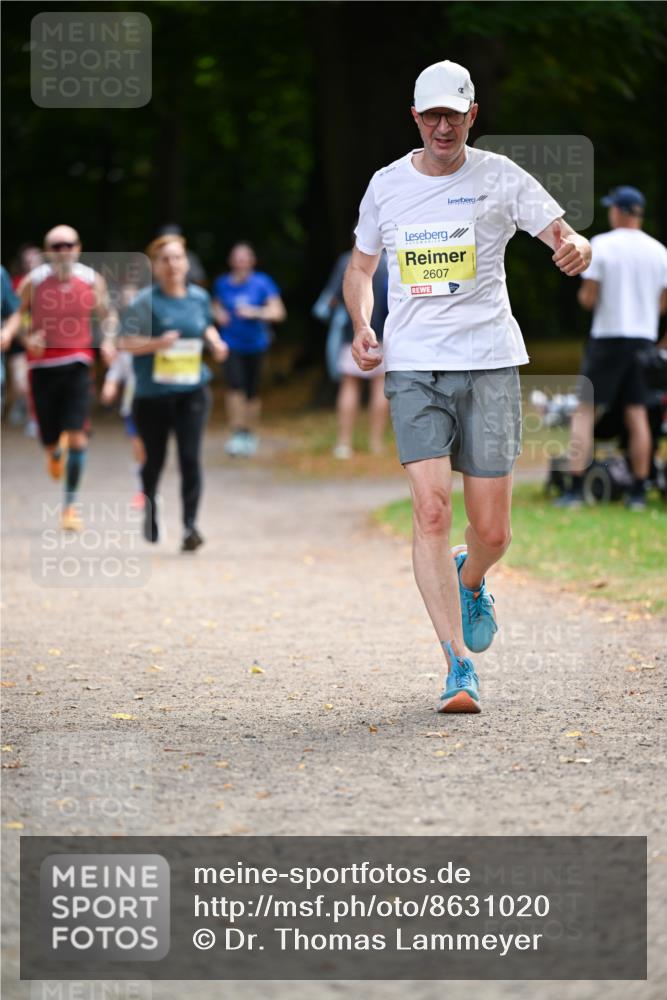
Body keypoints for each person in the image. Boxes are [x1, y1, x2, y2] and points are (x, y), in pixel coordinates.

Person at [343, 59, 591, 714]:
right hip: (413, 364)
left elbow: (567, 238)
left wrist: (579, 249)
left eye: (454, 113)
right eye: (432, 114)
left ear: (472, 115)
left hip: (487, 361)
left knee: (494, 531)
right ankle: (457, 666)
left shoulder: (501, 178)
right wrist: (361, 320)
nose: (443, 125)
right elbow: (360, 266)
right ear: (415, 117)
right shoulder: (385, 186)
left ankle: (471, 574)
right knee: (429, 510)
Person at [557, 186, 667, 511]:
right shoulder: (659, 251)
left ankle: (576, 489)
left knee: (585, 410)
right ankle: (637, 492)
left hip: (607, 338)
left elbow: (589, 297)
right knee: (637, 414)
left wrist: (582, 298)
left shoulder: (601, 246)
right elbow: (663, 304)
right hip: (643, 339)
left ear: (619, 211)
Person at [1, 226, 117, 531]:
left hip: (78, 363)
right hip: (41, 367)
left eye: (69, 245)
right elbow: (16, 314)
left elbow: (109, 316)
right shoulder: (34, 281)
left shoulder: (92, 280)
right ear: (47, 250)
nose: (63, 250)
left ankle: (69, 507)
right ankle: (52, 449)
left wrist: (108, 341)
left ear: (79, 247)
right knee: (49, 438)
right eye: (57, 245)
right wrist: (19, 336)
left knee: (78, 436)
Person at [118, 234, 228, 551]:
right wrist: (156, 344)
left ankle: (190, 526)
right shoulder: (143, 301)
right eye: (165, 259)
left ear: (186, 262)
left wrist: (216, 342)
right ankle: (151, 510)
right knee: (154, 460)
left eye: (178, 258)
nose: (173, 265)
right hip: (152, 395)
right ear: (154, 265)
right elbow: (124, 342)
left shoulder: (199, 297)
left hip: (192, 390)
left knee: (190, 457)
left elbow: (205, 325)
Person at [212, 242, 286, 457]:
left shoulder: (262, 283)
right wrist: (219, 314)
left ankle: (250, 434)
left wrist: (255, 312)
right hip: (230, 343)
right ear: (231, 261)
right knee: (235, 387)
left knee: (252, 392)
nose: (241, 262)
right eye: (237, 258)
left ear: (252, 261)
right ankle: (237, 433)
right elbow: (215, 305)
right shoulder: (222, 283)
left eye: (245, 258)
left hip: (256, 344)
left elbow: (279, 312)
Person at [314, 248, 389, 458]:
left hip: (353, 333)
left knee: (350, 383)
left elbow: (331, 299)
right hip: (385, 333)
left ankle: (344, 442)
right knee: (380, 385)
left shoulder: (348, 261)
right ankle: (376, 443)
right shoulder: (390, 261)